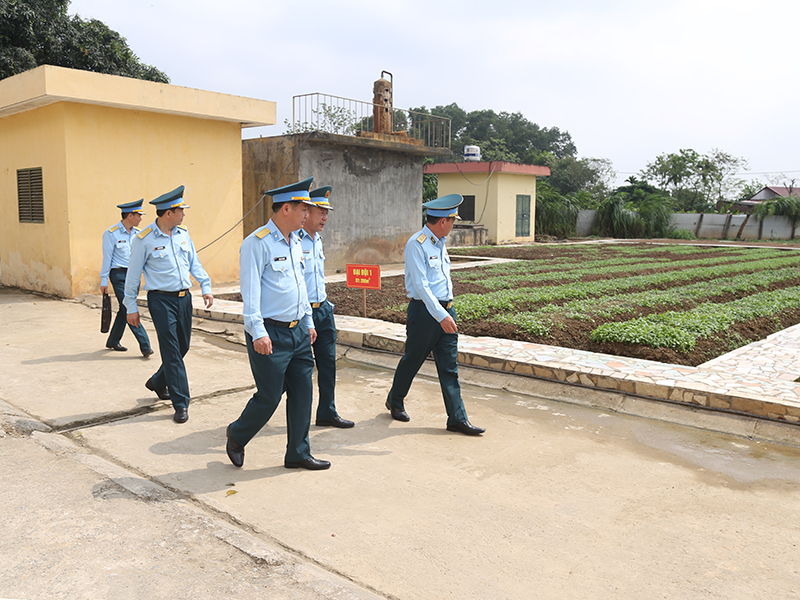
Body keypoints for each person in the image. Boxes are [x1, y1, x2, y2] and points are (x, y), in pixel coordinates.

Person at [225, 177, 331, 470]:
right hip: (269, 333)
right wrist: (257, 332)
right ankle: (237, 433)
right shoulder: (256, 243)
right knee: (270, 397)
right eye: (303, 210)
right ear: (286, 209)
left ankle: (298, 452)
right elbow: (251, 294)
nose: (308, 215)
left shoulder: (297, 242)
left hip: (298, 331)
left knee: (302, 393)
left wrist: (308, 322)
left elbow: (301, 287)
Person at [385, 194, 485, 436]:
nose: (453, 225)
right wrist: (441, 315)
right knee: (414, 358)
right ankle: (395, 400)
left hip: (446, 310)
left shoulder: (440, 243)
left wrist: (447, 310)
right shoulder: (416, 244)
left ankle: (457, 418)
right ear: (442, 221)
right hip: (425, 313)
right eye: (452, 220)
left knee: (449, 366)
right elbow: (421, 286)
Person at [123, 185, 213, 424]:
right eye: (180, 210)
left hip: (184, 299)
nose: (184, 214)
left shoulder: (183, 234)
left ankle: (157, 381)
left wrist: (206, 285)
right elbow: (133, 276)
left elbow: (194, 262)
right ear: (168, 213)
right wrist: (130, 306)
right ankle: (181, 402)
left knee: (182, 347)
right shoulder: (144, 239)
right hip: (161, 300)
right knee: (171, 350)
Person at [296, 185, 354, 429]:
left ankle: (327, 411)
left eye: (327, 213)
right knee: (298, 371)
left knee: (328, 364)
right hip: (301, 314)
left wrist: (326, 306)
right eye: (321, 212)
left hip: (323, 310)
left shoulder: (318, 240)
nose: (325, 218)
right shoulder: (294, 240)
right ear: (306, 212)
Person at [100, 199, 153, 356]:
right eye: (139, 215)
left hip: (134, 275)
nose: (141, 219)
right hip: (119, 275)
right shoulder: (111, 233)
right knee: (129, 307)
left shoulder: (140, 234)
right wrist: (104, 280)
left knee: (125, 308)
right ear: (130, 216)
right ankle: (145, 345)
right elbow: (107, 258)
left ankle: (113, 340)